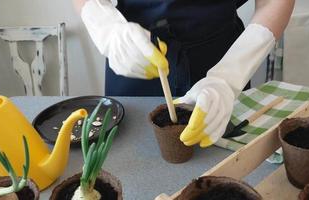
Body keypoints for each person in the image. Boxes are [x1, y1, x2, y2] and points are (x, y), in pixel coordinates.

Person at [73, 0, 295, 147]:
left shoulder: (228, 74)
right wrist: (105, 27)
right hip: (134, 54)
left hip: (224, 57)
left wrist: (228, 79)